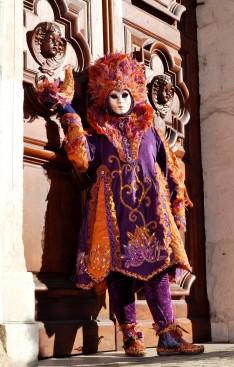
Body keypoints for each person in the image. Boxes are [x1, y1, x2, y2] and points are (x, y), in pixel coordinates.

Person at [36, 53, 204, 357]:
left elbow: (168, 170)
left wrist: (175, 209)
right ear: (104, 99)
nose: (120, 101)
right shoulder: (98, 135)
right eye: (113, 96)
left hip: (151, 213)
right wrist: (68, 111)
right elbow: (81, 159)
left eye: (125, 94)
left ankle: (168, 336)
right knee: (118, 273)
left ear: (134, 94)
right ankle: (129, 336)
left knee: (157, 270)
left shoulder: (150, 129)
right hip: (114, 216)